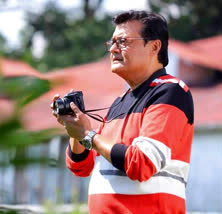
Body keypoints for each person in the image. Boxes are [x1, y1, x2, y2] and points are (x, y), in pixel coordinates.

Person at [51, 10, 193, 214]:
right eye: (112, 43)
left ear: (154, 46)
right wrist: (75, 130)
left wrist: (88, 135)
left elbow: (142, 163)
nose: (113, 50)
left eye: (123, 42)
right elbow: (81, 167)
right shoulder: (120, 102)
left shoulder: (171, 91)